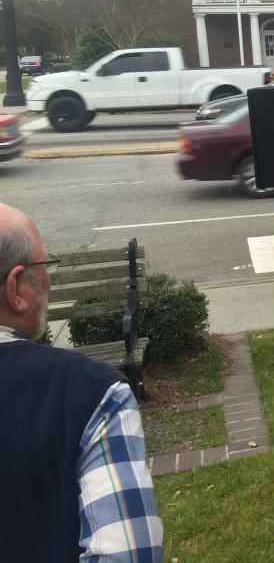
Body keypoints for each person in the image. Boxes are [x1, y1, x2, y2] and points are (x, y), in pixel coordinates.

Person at [0, 203, 163, 562]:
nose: (48, 280)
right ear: (16, 289)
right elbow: (130, 553)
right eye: (43, 266)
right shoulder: (95, 396)